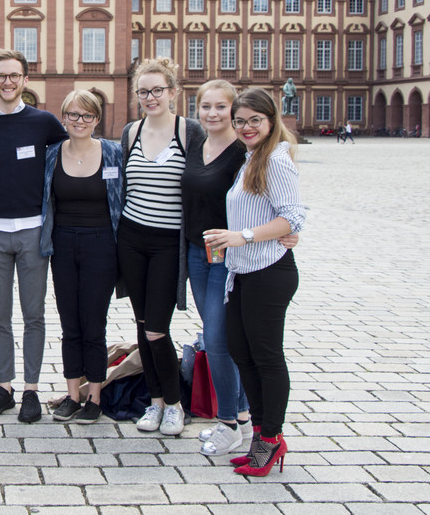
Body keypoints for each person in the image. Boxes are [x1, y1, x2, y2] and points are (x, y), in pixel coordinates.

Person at [183, 80, 293, 455]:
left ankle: (229, 421)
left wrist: (279, 233)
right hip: (200, 254)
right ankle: (246, 420)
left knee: (219, 341)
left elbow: (288, 212)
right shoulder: (201, 145)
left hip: (234, 261)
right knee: (232, 343)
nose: (214, 114)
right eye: (205, 106)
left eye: (222, 108)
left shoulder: (254, 153)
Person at [202, 88, 305, 477]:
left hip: (269, 271)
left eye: (254, 120)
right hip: (243, 271)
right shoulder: (252, 158)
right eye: (240, 120)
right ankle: (261, 436)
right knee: (243, 354)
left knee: (266, 358)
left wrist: (239, 236)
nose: (246, 127)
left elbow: (292, 217)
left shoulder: (276, 160)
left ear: (270, 120)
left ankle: (271, 439)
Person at [0, 49, 67, 423]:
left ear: (26, 80)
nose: (8, 82)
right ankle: (5, 387)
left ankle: (31, 388)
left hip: (33, 230)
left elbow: (69, 156)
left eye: (15, 75)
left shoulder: (44, 122)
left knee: (34, 314)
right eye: (1, 76)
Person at [118, 57, 204, 437]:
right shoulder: (131, 132)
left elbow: (213, 177)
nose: (150, 97)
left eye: (157, 90)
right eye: (143, 91)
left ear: (173, 92)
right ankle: (153, 402)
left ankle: (174, 404)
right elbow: (118, 183)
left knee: (157, 328)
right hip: (132, 238)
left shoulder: (190, 131)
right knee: (141, 324)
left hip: (170, 243)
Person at [40, 90, 123, 424]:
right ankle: (72, 395)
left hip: (102, 244)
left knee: (94, 323)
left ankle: (95, 397)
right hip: (62, 243)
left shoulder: (114, 153)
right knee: (69, 323)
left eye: (87, 116)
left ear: (96, 120)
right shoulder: (50, 154)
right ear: (63, 117)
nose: (79, 121)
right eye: (73, 115)